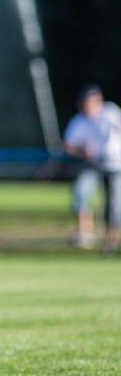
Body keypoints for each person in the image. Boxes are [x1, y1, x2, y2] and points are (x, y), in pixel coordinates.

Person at [63, 84, 121, 255]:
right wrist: (82, 150)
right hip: (93, 165)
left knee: (113, 206)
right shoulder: (79, 120)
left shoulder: (110, 113)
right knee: (81, 191)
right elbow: (69, 145)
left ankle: (110, 242)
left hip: (115, 165)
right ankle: (85, 232)